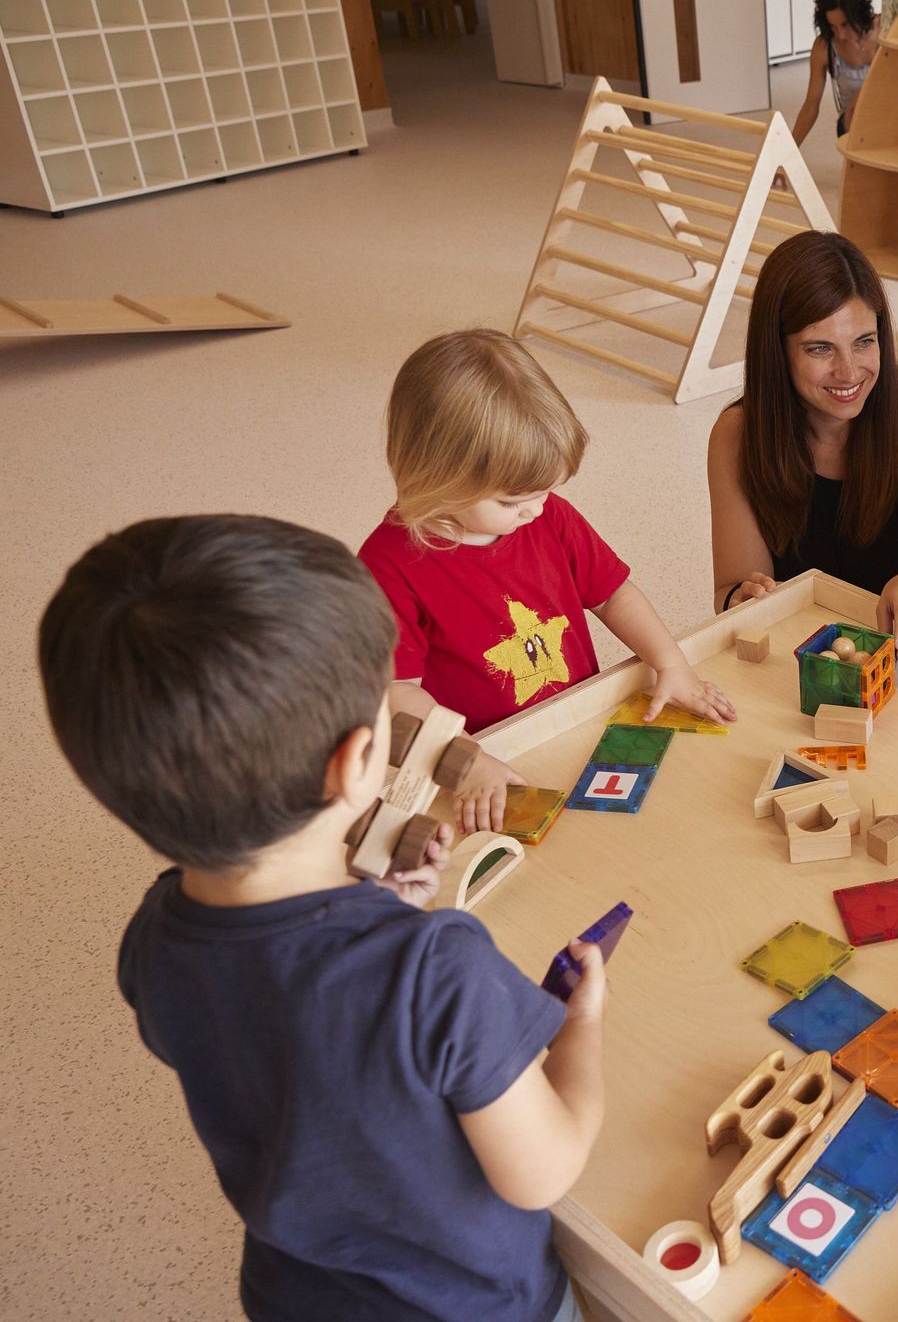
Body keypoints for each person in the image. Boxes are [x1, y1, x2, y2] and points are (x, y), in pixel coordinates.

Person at [39, 515, 608, 1322]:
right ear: (357, 763)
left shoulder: (154, 936)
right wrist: (579, 1028)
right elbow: (544, 1171)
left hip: (293, 1295)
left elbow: (291, 1028)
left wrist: (376, 908)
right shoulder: (436, 968)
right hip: (475, 1305)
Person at [359, 329, 734, 832]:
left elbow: (614, 594)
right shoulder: (387, 568)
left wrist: (670, 662)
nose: (536, 510)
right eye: (512, 501)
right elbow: (397, 695)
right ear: (435, 477)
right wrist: (466, 762)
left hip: (576, 721)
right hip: (485, 758)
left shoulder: (549, 515)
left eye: (546, 491)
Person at [709, 230, 898, 657]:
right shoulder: (737, 435)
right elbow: (731, 589)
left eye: (864, 342)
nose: (849, 371)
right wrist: (745, 600)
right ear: (776, 351)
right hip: (819, 649)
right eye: (820, 349)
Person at [790, 0, 879, 146]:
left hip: (885, 116)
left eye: (845, 24)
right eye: (833, 27)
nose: (841, 34)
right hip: (851, 122)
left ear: (858, 14)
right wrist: (788, 150)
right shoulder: (823, 47)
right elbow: (811, 105)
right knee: (861, 100)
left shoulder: (884, 30)